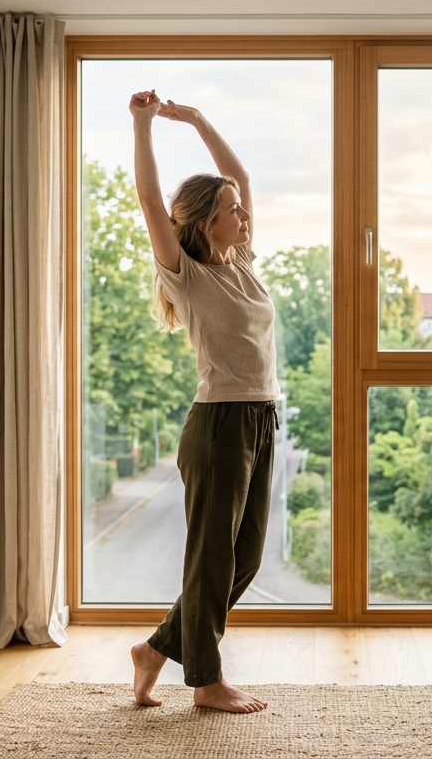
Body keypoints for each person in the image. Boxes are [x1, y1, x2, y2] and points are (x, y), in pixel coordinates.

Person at [126, 89, 277, 714]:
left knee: (245, 556)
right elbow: (150, 201)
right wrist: (144, 126)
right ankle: (206, 682)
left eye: (240, 210)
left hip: (261, 415)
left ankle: (158, 648)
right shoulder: (186, 271)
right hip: (218, 424)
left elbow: (237, 175)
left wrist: (197, 120)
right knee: (212, 558)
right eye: (231, 211)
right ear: (204, 223)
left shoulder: (240, 260)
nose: (243, 215)